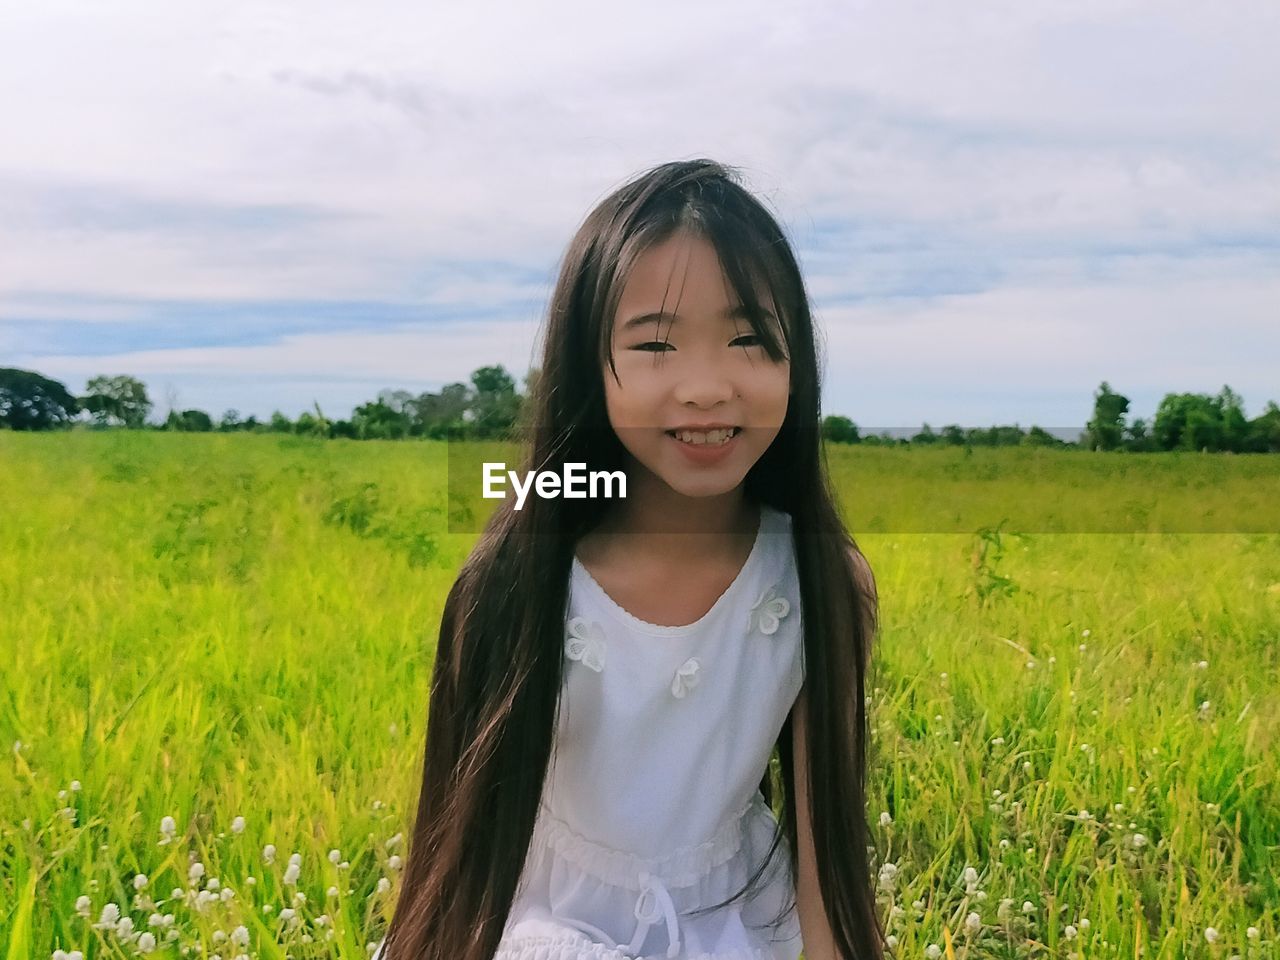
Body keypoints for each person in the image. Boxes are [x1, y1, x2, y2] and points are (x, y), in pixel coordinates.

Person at [376, 159, 882, 960]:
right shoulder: (521, 578)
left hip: (737, 925)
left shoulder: (821, 580)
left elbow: (829, 874)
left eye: (750, 338)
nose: (707, 386)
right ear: (588, 365)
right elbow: (463, 847)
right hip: (548, 924)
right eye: (655, 345)